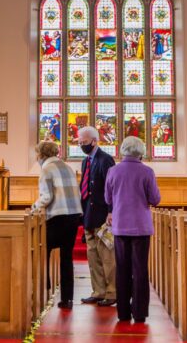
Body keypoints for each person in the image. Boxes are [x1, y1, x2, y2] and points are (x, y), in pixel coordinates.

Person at [104, 136, 161, 323]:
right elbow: (155, 199)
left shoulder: (113, 171)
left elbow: (108, 199)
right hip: (141, 228)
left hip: (120, 227)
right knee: (140, 270)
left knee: (122, 269)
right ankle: (139, 312)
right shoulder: (147, 172)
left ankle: (122, 312)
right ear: (141, 152)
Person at [31, 141, 83, 310]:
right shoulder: (67, 167)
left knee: (42, 251)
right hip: (73, 216)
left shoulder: (46, 169)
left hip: (57, 217)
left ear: (42, 155)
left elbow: (46, 197)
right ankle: (67, 299)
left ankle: (43, 290)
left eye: (37, 154)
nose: (37, 157)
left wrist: (33, 208)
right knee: (66, 257)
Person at [78, 126, 116, 306]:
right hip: (88, 215)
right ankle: (98, 291)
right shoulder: (86, 161)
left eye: (84, 142)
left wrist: (111, 211)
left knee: (106, 256)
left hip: (102, 214)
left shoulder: (106, 160)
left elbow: (111, 188)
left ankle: (111, 292)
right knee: (92, 256)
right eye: (79, 142)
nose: (81, 145)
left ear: (94, 141)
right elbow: (84, 187)